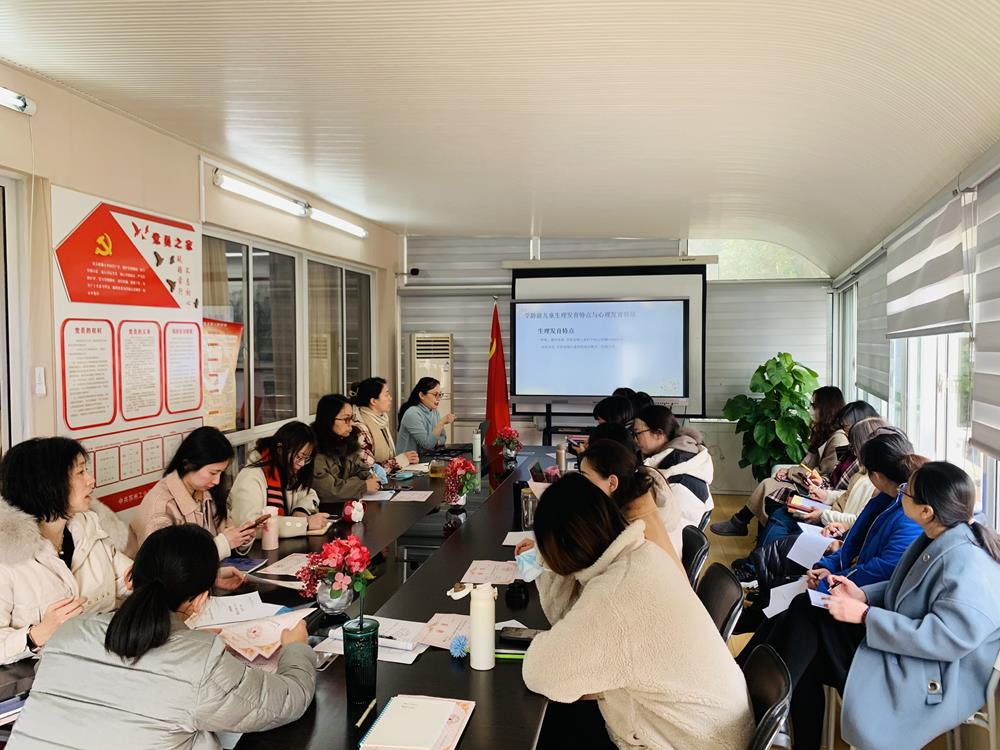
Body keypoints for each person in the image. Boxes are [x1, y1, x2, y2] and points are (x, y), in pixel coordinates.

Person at [742, 462, 1000, 750]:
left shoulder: (967, 563)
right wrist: (862, 595)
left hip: (923, 676)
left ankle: (760, 710)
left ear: (927, 511)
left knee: (806, 622)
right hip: (898, 648)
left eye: (907, 491)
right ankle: (768, 715)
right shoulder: (940, 536)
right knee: (805, 624)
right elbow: (902, 587)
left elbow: (945, 639)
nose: (901, 492)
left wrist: (866, 615)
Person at [8, 524, 317, 748]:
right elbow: (288, 700)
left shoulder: (68, 634)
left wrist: (188, 640)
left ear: (129, 578)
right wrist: (296, 648)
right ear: (200, 600)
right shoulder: (200, 663)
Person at [521, 473, 754, 750]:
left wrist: (548, 566)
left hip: (692, 742)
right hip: (711, 729)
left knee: (538, 726)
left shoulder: (616, 596)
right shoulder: (641, 554)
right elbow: (570, 616)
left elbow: (540, 672)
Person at [0, 437, 131, 663]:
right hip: (43, 676)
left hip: (103, 660)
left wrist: (141, 579)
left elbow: (123, 579)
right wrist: (38, 634)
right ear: (48, 484)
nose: (91, 480)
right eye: (80, 472)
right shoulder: (7, 556)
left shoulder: (89, 526)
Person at [711, 385, 846, 536]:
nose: (810, 410)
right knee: (768, 484)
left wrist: (790, 472)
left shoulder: (838, 439)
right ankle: (741, 522)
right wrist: (789, 472)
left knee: (768, 485)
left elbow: (821, 475)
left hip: (817, 491)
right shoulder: (824, 432)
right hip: (806, 484)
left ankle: (740, 522)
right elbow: (808, 465)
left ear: (827, 409)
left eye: (814, 405)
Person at [127, 426, 256, 561]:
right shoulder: (161, 509)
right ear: (188, 464)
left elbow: (225, 534)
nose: (217, 481)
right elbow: (167, 566)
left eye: (221, 473)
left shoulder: (205, 491)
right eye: (213, 473)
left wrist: (241, 538)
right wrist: (223, 544)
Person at [228, 421, 329, 530]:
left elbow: (309, 494)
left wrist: (300, 510)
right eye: (299, 457)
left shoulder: (286, 471)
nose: (302, 464)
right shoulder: (251, 477)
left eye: (306, 458)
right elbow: (250, 525)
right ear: (280, 449)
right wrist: (304, 524)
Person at [632, 404, 714, 506]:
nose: (635, 440)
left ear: (658, 434)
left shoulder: (672, 466)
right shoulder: (686, 452)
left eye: (637, 433)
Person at [312, 393, 380, 504]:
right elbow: (328, 491)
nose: (351, 424)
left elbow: (360, 469)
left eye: (351, 418)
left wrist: (369, 477)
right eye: (346, 419)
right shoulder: (314, 449)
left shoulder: (346, 441)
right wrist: (362, 486)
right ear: (329, 420)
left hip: (349, 506)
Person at [352, 376, 419, 472]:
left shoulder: (380, 420)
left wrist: (406, 459)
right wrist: (400, 461)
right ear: (373, 401)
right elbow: (368, 469)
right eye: (386, 395)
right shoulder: (360, 427)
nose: (390, 398)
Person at [396, 376, 456, 453]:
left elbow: (443, 437)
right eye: (435, 394)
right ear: (422, 395)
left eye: (440, 395)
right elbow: (427, 445)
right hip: (407, 460)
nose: (438, 398)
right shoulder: (412, 413)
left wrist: (435, 442)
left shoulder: (435, 412)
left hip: (425, 457)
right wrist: (441, 423)